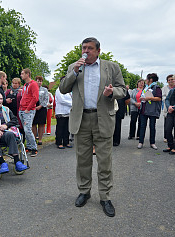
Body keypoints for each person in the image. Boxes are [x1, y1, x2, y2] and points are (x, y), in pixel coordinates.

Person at [59, 37, 126, 217]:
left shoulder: (111, 67)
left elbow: (123, 90)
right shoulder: (75, 67)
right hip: (81, 119)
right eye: (83, 48)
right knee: (83, 160)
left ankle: (105, 196)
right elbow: (63, 88)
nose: (85, 51)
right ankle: (84, 191)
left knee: (104, 161)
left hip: (102, 118)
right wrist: (73, 72)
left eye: (89, 48)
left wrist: (112, 92)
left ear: (98, 50)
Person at [137, 73, 162, 150]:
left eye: (147, 79)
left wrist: (148, 98)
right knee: (142, 126)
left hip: (152, 110)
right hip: (144, 109)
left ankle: (152, 143)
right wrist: (142, 98)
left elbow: (159, 98)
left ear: (150, 80)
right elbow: (144, 96)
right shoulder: (146, 88)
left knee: (152, 126)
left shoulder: (156, 87)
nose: (145, 80)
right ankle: (141, 142)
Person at [19, 68, 39, 157]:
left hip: (28, 110)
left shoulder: (33, 84)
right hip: (22, 109)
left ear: (27, 74)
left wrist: (28, 108)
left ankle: (34, 148)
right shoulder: (25, 85)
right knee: (25, 129)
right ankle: (29, 147)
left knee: (28, 129)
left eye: (22, 73)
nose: (21, 75)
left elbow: (35, 98)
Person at [32, 76, 49, 146]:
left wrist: (40, 106)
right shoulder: (32, 88)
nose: (39, 82)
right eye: (38, 81)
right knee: (34, 124)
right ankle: (34, 138)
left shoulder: (44, 89)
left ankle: (40, 139)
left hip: (42, 108)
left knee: (41, 124)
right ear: (35, 81)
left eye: (41, 81)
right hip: (33, 107)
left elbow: (46, 99)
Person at [161, 75, 175, 142]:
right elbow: (163, 96)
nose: (170, 81)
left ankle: (174, 137)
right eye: (169, 80)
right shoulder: (164, 88)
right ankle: (166, 137)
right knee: (167, 124)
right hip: (167, 107)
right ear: (167, 81)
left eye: (172, 79)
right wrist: (168, 102)